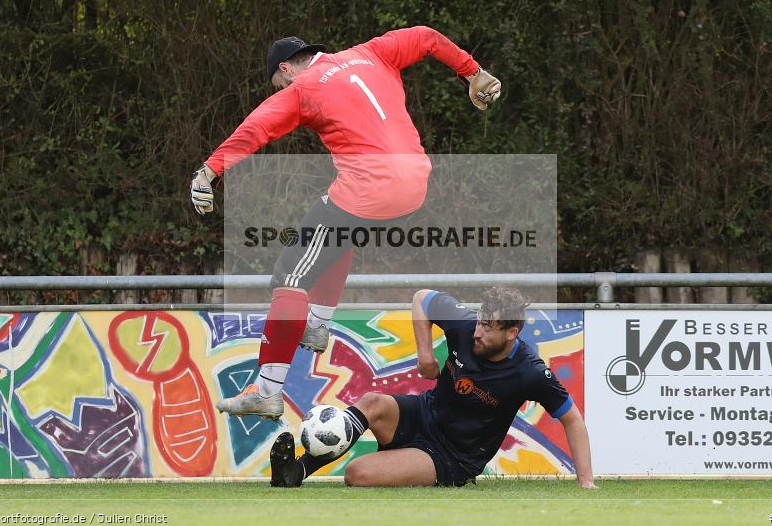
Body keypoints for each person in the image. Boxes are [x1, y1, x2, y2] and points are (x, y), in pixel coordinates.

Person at [190, 27, 502, 419]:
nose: (281, 91)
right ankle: (317, 324)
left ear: (286, 69)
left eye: (278, 85)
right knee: (336, 230)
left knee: (289, 277)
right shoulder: (372, 52)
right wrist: (473, 72)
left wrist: (210, 170)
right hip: (415, 183)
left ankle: (267, 390)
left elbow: (257, 128)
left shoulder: (303, 90)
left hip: (370, 189)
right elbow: (426, 37)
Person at [268, 287, 596, 488]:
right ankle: (296, 471)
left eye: (488, 328)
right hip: (425, 413)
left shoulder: (530, 372)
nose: (478, 332)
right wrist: (425, 354)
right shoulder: (466, 327)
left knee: (357, 473)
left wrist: (586, 482)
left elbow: (572, 420)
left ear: (512, 333)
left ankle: (399, 465)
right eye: (480, 321)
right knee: (371, 402)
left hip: (452, 457)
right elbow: (422, 298)